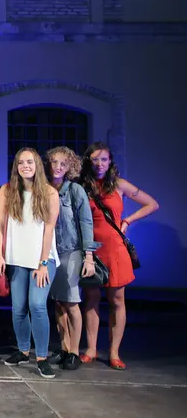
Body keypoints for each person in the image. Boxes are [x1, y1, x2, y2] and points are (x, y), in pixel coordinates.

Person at [79, 142, 158, 370]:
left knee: (117, 301)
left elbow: (152, 204)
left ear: (110, 161)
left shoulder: (119, 185)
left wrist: (127, 220)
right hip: (91, 249)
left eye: (103, 159)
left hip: (115, 248)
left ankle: (114, 352)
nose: (99, 164)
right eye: (94, 159)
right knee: (92, 299)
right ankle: (91, 349)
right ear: (88, 162)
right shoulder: (84, 185)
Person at [0, 148, 60, 379]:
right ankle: (23, 351)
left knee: (37, 305)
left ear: (37, 165)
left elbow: (48, 230)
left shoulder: (50, 193)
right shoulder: (7, 190)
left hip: (42, 259)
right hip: (16, 258)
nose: (25, 166)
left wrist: (42, 263)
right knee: (19, 308)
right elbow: (0, 225)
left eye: (29, 162)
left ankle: (42, 357)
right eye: (21, 162)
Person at [44, 146, 99, 371]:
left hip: (72, 251)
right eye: (54, 162)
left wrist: (89, 256)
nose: (58, 167)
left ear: (70, 167)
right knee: (58, 302)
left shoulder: (75, 190)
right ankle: (64, 348)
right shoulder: (45, 189)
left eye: (63, 164)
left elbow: (86, 223)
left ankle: (75, 351)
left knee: (72, 302)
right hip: (51, 253)